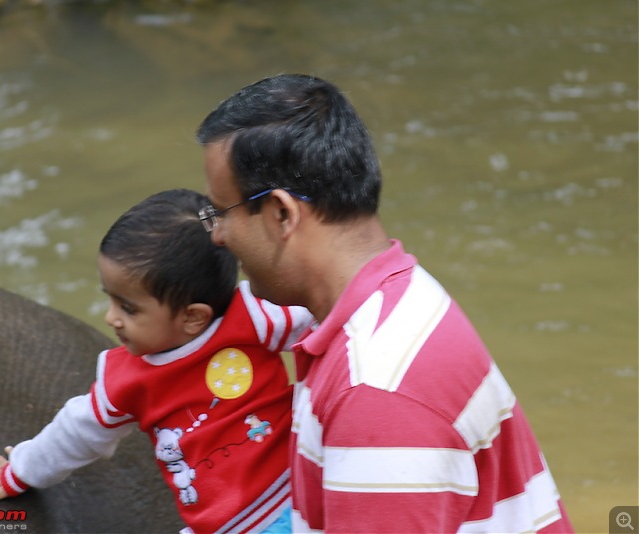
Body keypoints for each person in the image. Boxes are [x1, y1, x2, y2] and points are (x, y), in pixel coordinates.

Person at [196, 74, 574, 533]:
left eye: (221, 211)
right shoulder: (400, 294)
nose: (216, 234)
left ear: (281, 214)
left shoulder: (376, 393)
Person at [0, 189, 313, 534]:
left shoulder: (252, 316)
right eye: (111, 300)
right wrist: (20, 470)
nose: (111, 318)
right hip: (276, 505)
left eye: (128, 308)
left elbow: (324, 315)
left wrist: (18, 472)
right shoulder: (131, 377)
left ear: (193, 317)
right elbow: (74, 432)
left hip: (292, 498)